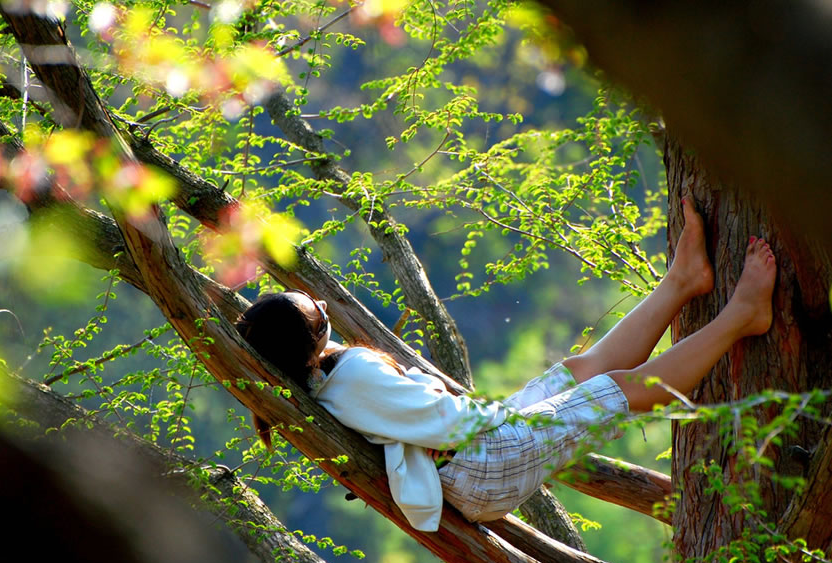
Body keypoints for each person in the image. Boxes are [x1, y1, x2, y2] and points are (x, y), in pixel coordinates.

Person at [236, 199, 777, 531]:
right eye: (319, 315)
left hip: (475, 455)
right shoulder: (350, 375)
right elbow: (447, 421)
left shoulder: (324, 380)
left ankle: (684, 282)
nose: (326, 307)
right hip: (482, 461)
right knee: (614, 388)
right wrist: (497, 413)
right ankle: (741, 316)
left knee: (581, 370)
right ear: (309, 340)